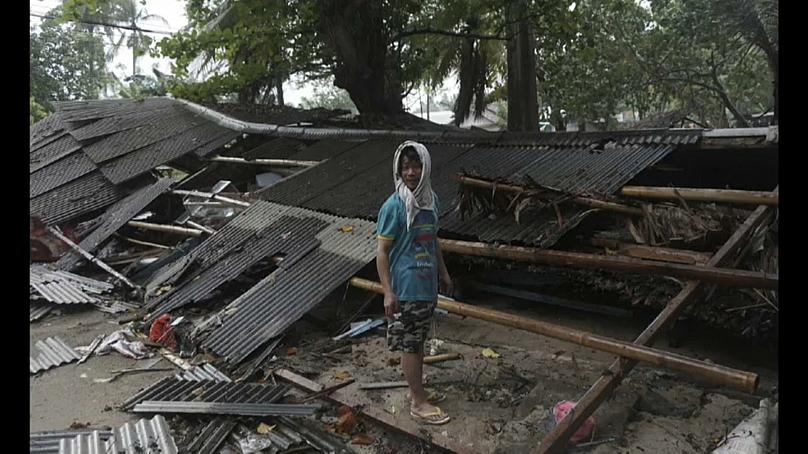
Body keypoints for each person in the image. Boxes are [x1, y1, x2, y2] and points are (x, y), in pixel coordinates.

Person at [376, 140, 454, 425]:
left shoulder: (432, 201)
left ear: (426, 167)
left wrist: (443, 273)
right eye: (405, 167)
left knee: (418, 341)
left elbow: (433, 240)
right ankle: (418, 402)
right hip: (407, 287)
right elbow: (382, 253)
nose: (411, 172)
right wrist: (387, 292)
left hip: (426, 284)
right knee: (411, 344)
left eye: (416, 165)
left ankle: (415, 392)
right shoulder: (393, 206)